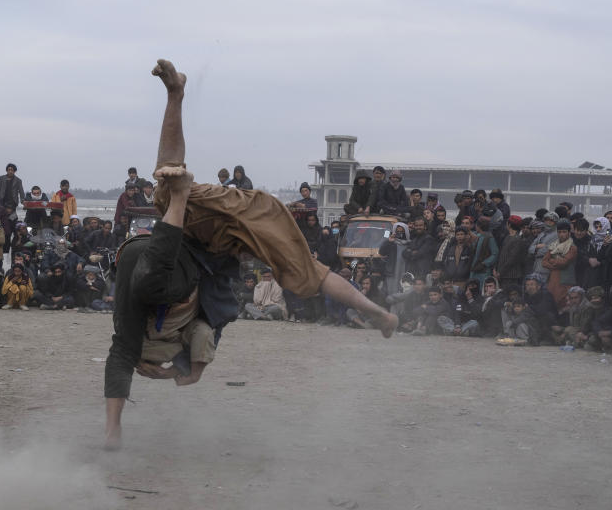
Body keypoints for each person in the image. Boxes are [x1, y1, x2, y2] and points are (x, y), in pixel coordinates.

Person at [104, 59, 396, 449]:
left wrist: (184, 371)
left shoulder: (167, 320)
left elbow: (184, 334)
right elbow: (172, 342)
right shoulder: (169, 323)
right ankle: (176, 97)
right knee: (168, 183)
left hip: (206, 231)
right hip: (202, 230)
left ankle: (176, 101)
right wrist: (183, 372)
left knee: (170, 193)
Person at [542, 219, 578, 309]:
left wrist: (551, 260)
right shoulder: (553, 245)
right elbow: (544, 262)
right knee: (551, 303)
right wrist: (556, 261)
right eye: (559, 232)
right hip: (553, 280)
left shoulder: (572, 247)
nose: (562, 234)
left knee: (564, 305)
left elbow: (564, 262)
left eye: (564, 232)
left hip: (565, 282)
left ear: (569, 233)